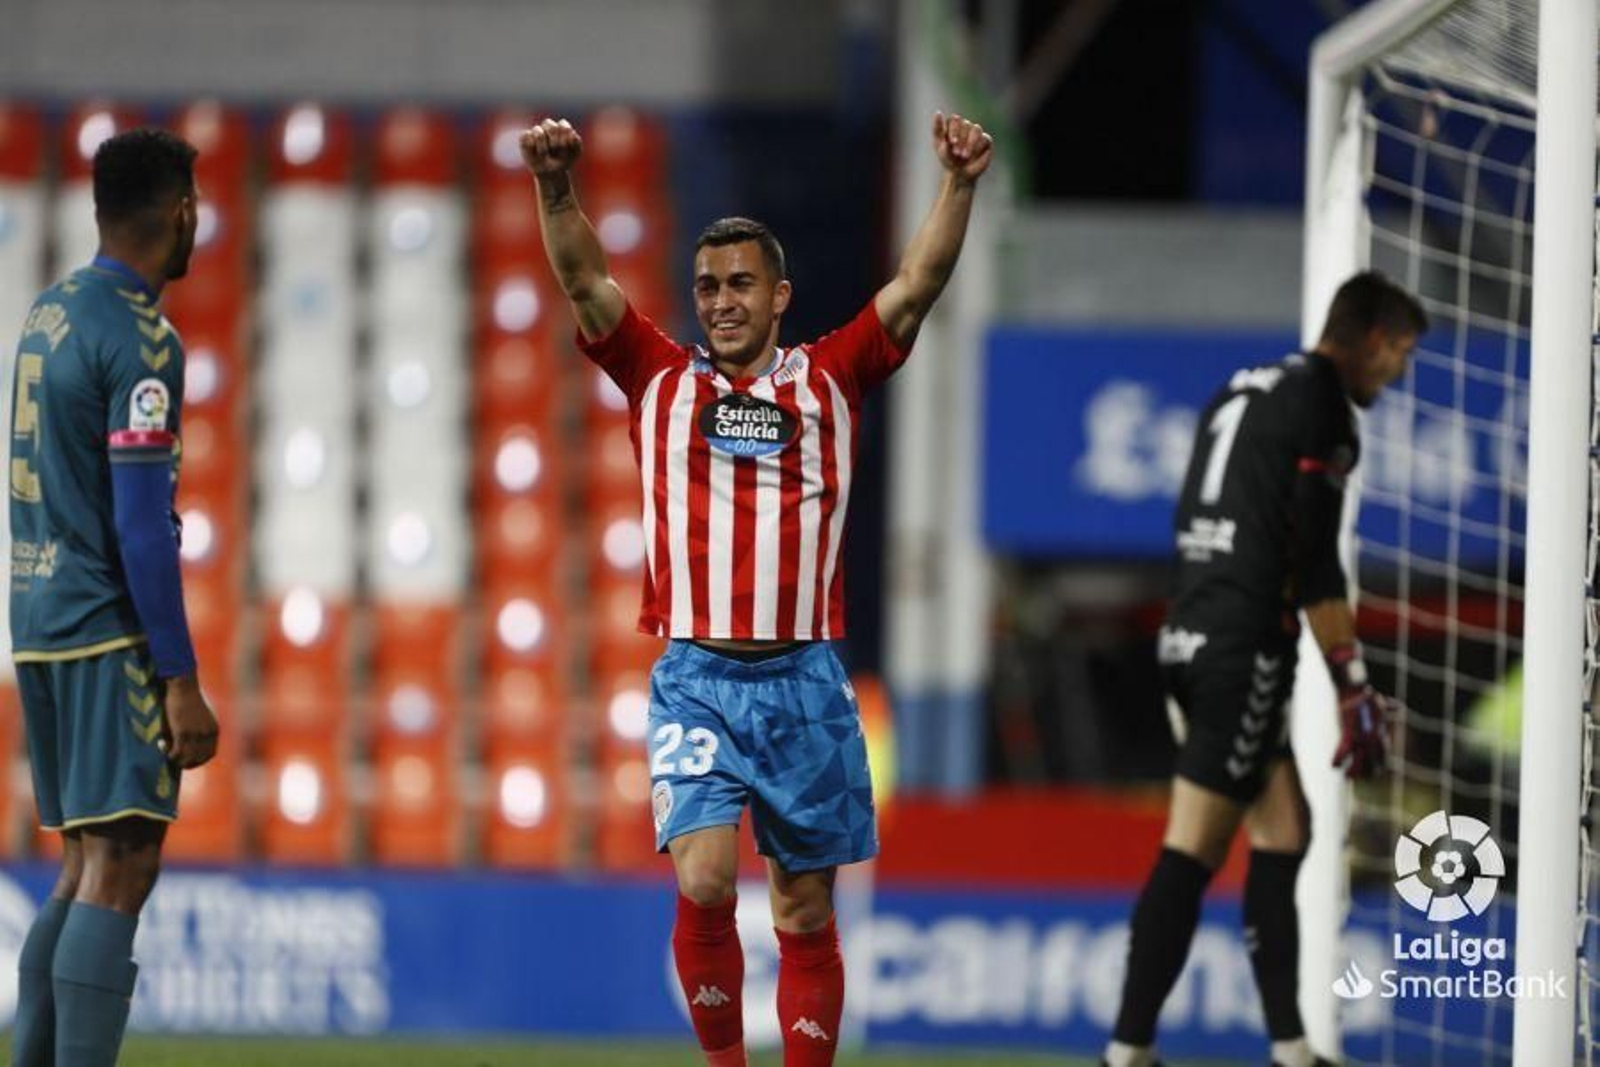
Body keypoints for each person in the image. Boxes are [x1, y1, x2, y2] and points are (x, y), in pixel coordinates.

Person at [522, 110, 992, 1066]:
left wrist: (960, 182)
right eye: (706, 285)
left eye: (740, 283)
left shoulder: (832, 376)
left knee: (802, 904)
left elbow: (919, 285)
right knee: (701, 879)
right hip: (696, 675)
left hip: (806, 683)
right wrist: (557, 186)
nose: (721, 300)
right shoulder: (656, 376)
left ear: (780, 294)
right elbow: (581, 277)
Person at [1105, 271, 1427, 1067]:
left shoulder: (1243, 386)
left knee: (1286, 826)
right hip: (1240, 650)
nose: (1399, 372)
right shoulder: (1325, 408)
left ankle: (1290, 1049)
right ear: (1377, 339)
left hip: (1191, 630)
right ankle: (1126, 1052)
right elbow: (1315, 563)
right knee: (1192, 847)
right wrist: (1353, 682)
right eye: (1402, 353)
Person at [9, 127, 219, 1067]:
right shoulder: (140, 339)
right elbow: (142, 526)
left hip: (40, 623)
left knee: (85, 864)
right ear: (181, 212)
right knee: (123, 866)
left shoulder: (49, 311)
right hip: (104, 634)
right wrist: (178, 678)